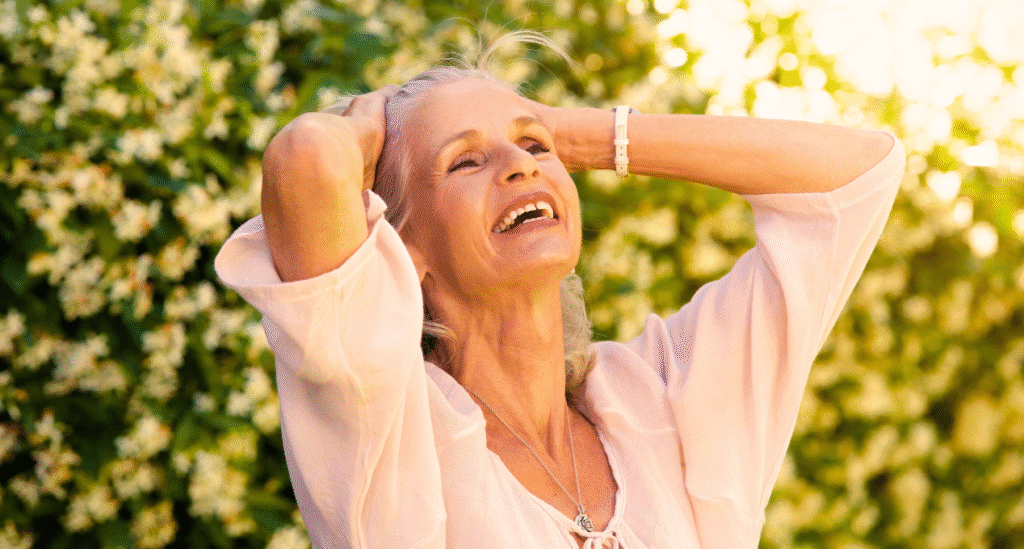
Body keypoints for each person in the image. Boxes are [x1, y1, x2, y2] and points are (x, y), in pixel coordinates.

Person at [215, 42, 905, 549]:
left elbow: (856, 177)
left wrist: (581, 136)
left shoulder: (664, 399)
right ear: (405, 248)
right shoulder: (391, 435)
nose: (517, 165)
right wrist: (367, 126)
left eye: (532, 147)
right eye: (465, 161)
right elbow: (307, 158)